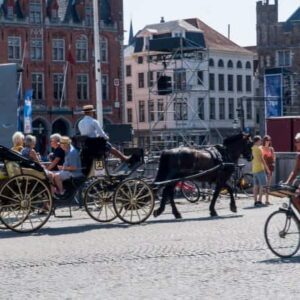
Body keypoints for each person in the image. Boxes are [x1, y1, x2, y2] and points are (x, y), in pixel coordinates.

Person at [252, 135, 270, 207]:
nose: (261, 142)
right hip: (260, 169)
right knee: (263, 185)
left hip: (254, 169)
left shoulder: (252, 148)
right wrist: (267, 169)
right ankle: (260, 200)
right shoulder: (259, 149)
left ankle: (255, 201)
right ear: (257, 141)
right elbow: (262, 160)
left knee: (255, 186)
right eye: (260, 141)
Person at [260, 135, 276, 205]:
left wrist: (271, 161)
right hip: (263, 168)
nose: (268, 142)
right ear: (264, 141)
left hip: (270, 168)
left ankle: (267, 200)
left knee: (268, 185)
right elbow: (260, 159)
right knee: (262, 185)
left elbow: (274, 158)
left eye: (269, 140)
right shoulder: (261, 148)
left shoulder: (271, 149)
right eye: (266, 140)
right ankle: (259, 200)